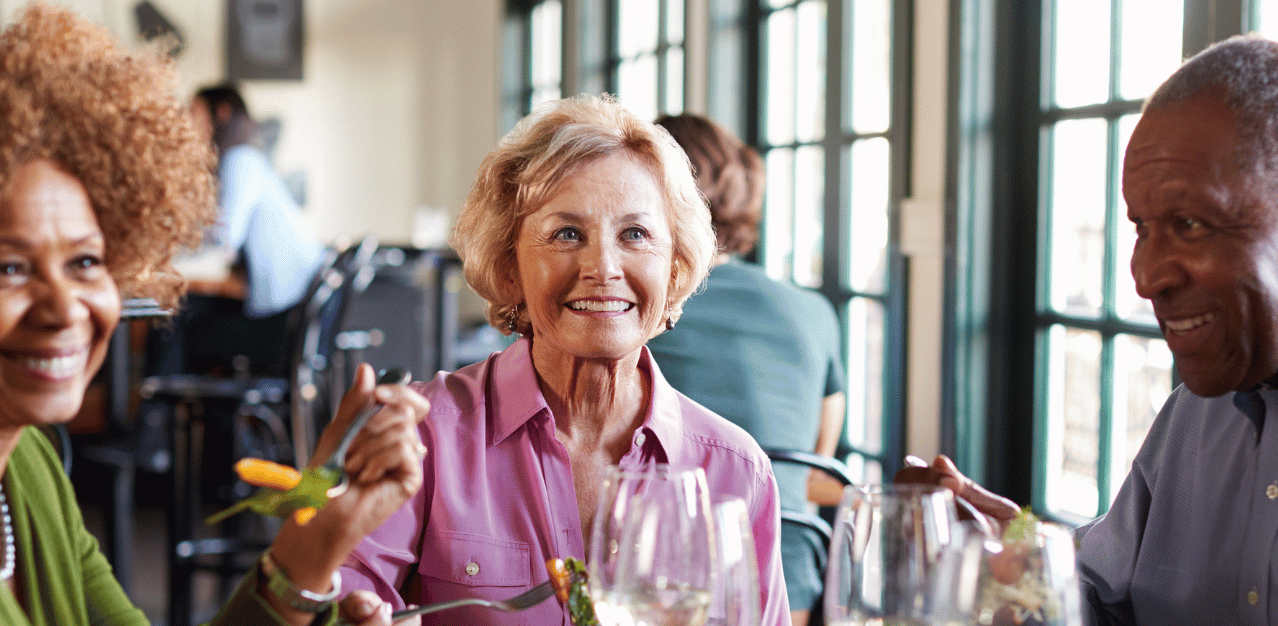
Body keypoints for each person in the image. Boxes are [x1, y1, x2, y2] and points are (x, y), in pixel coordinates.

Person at [0, 0, 428, 625]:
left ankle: (152, 426)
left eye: (86, 262)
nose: (65, 308)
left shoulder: (28, 469)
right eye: (8, 268)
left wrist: (314, 547)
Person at [914, 35, 1278, 624]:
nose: (1146, 278)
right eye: (1143, 228)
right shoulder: (1195, 419)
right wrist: (1023, 570)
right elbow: (1106, 607)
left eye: (1189, 224)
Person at [338, 95, 793, 626]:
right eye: (567, 234)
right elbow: (340, 601)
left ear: (674, 270)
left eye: (635, 234)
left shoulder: (735, 471)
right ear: (510, 270)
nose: (602, 267)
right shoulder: (426, 435)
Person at [646, 114, 845, 626]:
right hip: (786, 573)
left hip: (652, 568)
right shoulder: (813, 313)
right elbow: (811, 467)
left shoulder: (632, 312)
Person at [152, 83, 328, 376]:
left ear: (221, 113)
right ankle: (183, 414)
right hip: (296, 319)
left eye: (193, 112)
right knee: (190, 312)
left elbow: (224, 236)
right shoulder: (250, 161)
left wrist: (167, 253)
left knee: (174, 321)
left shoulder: (240, 160)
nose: (187, 121)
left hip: (283, 325)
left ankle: (154, 414)